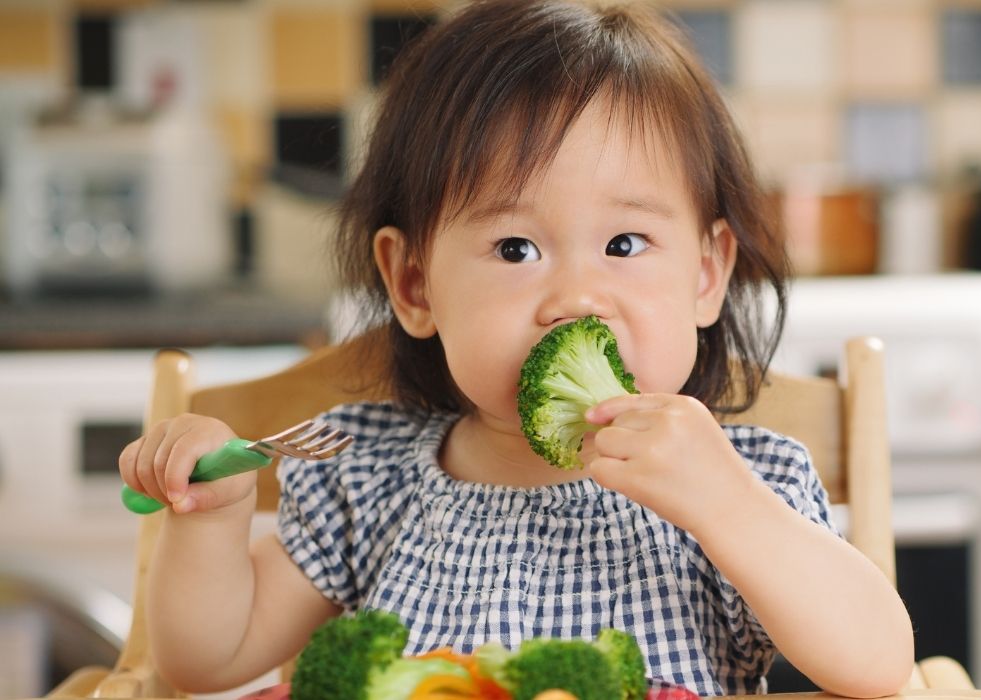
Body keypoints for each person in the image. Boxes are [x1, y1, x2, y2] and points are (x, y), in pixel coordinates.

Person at [117, 1, 913, 696]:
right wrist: (211, 521)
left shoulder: (749, 482)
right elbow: (206, 660)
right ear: (416, 285)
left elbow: (877, 665)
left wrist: (728, 506)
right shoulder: (368, 475)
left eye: (626, 243)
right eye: (515, 250)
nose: (575, 298)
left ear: (707, 275)